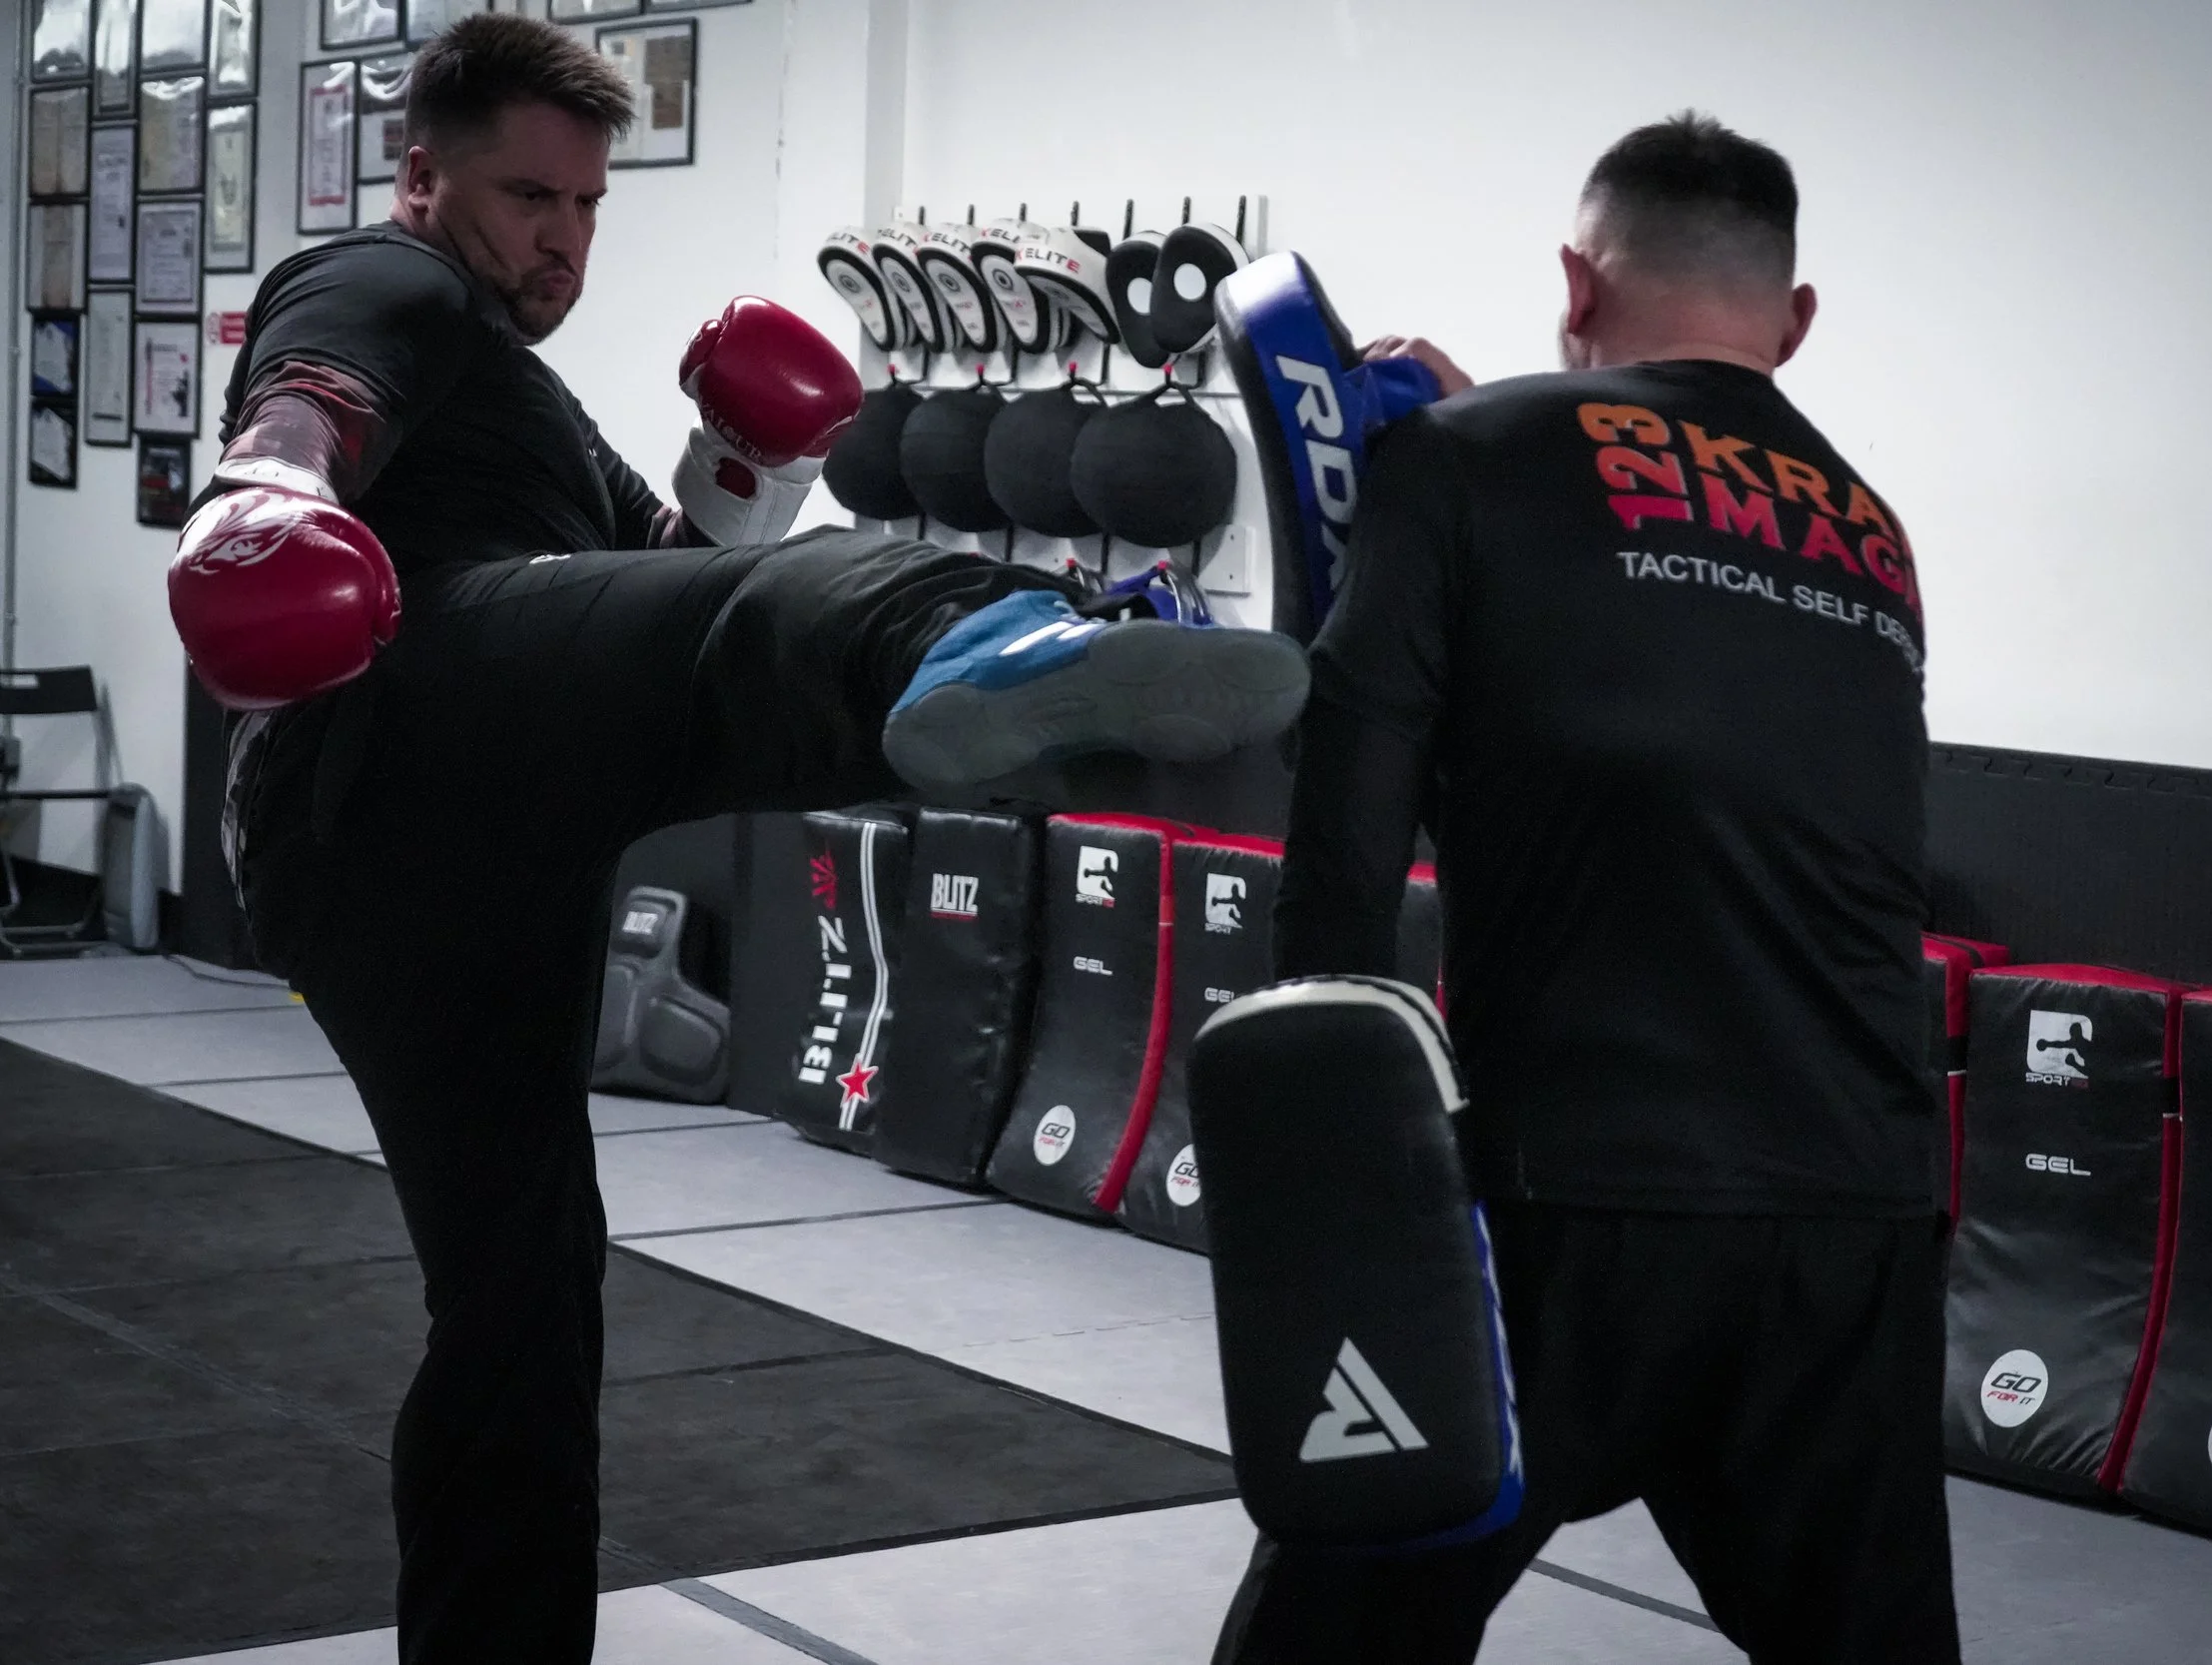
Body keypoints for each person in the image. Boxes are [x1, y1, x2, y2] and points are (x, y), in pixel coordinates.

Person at [165, 17, 1303, 1662]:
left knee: (524, 1300)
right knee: (788, 608)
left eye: (587, 205)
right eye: (527, 198)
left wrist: (743, 463)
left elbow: (667, 575)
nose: (563, 240)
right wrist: (263, 500)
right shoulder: (388, 282)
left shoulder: (532, 408)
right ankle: (971, 629)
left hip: (454, 868)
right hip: (404, 725)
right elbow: (309, 398)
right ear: (420, 177)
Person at [1219, 114, 1958, 1663]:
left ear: (1575, 281)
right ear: (1795, 320)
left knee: (1341, 1638)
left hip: (1565, 1200)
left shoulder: (1466, 462)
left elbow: (1350, 830)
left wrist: (1325, 1166)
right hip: (1852, 1204)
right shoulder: (1872, 532)